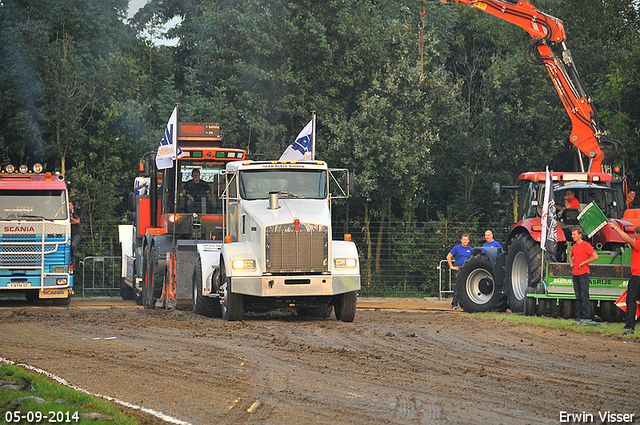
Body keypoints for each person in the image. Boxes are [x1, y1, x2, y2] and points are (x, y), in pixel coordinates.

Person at [608, 221, 640, 335]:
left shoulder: (639, 243)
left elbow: (627, 239)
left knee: (631, 301)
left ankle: (630, 326)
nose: (634, 237)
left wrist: (615, 228)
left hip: (637, 277)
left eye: (635, 234)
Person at [568, 226, 599, 326]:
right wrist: (571, 263)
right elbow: (570, 255)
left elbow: (595, 256)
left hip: (584, 273)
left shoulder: (586, 245)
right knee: (578, 296)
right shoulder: (574, 246)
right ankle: (580, 316)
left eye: (574, 234)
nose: (573, 236)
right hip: (575, 273)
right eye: (572, 234)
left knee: (584, 295)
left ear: (580, 235)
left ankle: (586, 317)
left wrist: (584, 262)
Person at [447, 234, 473, 309]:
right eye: (463, 239)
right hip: (459, 269)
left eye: (466, 240)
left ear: (468, 241)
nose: (465, 241)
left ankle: (463, 304)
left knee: (466, 287)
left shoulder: (470, 249)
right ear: (461, 240)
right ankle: (454, 303)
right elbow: (448, 256)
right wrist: (451, 266)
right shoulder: (457, 248)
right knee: (458, 286)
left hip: (467, 270)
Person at [69, 200, 82, 266]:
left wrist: (71, 218)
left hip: (77, 233)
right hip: (70, 234)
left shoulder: (76, 212)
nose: (68, 207)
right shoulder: (65, 213)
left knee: (73, 245)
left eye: (69, 205)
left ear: (72, 206)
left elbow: (77, 221)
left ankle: (73, 257)